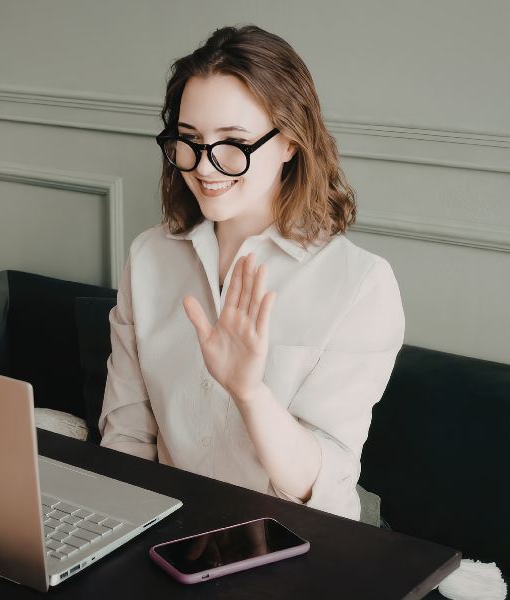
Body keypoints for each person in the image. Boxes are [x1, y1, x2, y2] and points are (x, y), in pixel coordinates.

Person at [97, 24, 405, 523]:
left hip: (300, 541)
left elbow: (321, 484)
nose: (204, 167)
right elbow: (127, 435)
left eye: (233, 142)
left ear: (290, 143)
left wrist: (248, 391)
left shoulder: (360, 284)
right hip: (169, 530)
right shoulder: (150, 256)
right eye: (189, 140)